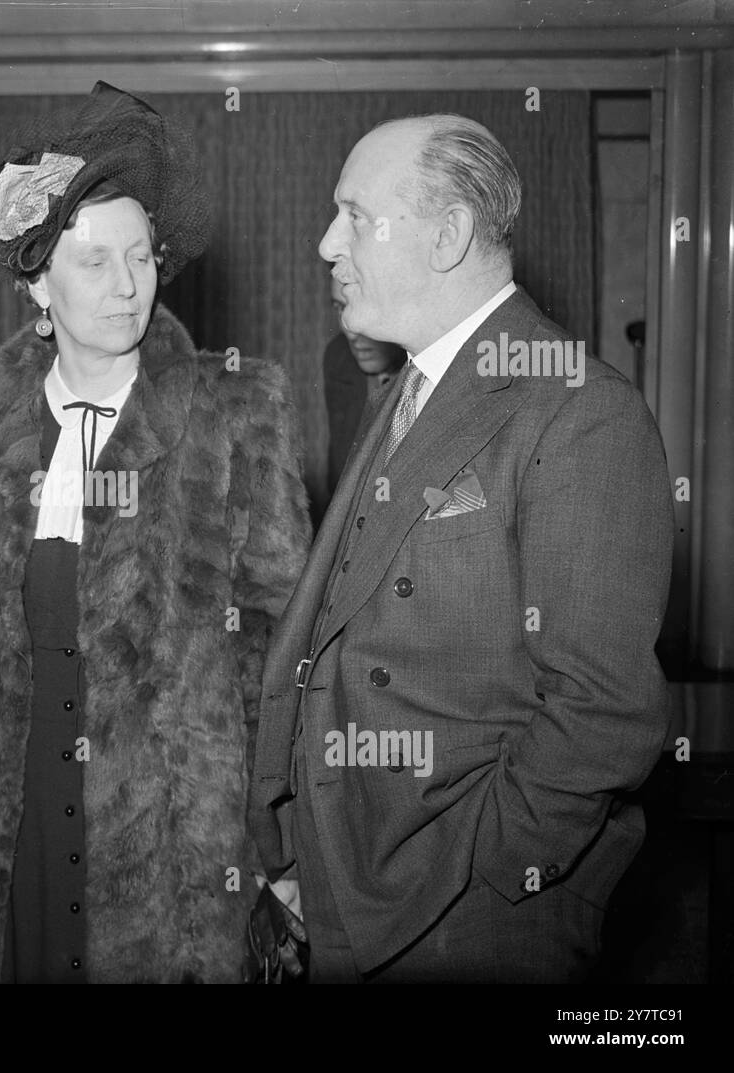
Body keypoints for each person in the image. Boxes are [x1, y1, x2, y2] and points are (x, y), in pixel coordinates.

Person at [0, 82, 311, 983]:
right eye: (94, 262)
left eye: (142, 256)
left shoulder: (240, 410)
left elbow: (285, 661)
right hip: (4, 840)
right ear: (37, 279)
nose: (129, 286)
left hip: (175, 859)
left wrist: (280, 854)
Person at [248, 114, 673, 983]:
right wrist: (304, 846)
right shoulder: (411, 387)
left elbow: (602, 711)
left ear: (447, 236)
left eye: (356, 216)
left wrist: (479, 870)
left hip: (468, 917)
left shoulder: (580, 408)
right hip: (353, 870)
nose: (329, 243)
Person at [323, 275, 406, 501]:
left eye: (365, 306)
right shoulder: (339, 358)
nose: (350, 330)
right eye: (340, 307)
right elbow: (339, 486)